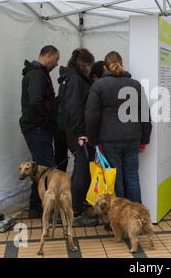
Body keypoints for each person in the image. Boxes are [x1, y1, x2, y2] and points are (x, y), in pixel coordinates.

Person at [85, 51, 152, 204]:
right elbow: (145, 115)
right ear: (122, 64)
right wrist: (144, 140)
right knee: (132, 177)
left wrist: (93, 141)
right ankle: (136, 215)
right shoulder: (135, 85)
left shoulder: (99, 86)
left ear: (104, 67)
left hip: (109, 139)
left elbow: (92, 116)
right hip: (133, 139)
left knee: (116, 178)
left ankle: (120, 218)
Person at [58, 48, 98, 226]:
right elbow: (74, 109)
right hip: (78, 134)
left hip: (74, 132)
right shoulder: (74, 80)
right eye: (89, 65)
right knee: (81, 170)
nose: (90, 69)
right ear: (85, 64)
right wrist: (81, 132)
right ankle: (73, 212)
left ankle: (75, 206)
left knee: (81, 169)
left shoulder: (72, 78)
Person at [20, 45, 59, 218]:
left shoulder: (37, 73)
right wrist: (49, 120)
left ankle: (36, 207)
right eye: (56, 59)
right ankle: (47, 209)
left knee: (39, 168)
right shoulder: (37, 74)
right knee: (46, 169)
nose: (57, 64)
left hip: (36, 126)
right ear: (48, 55)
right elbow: (37, 102)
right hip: (38, 127)